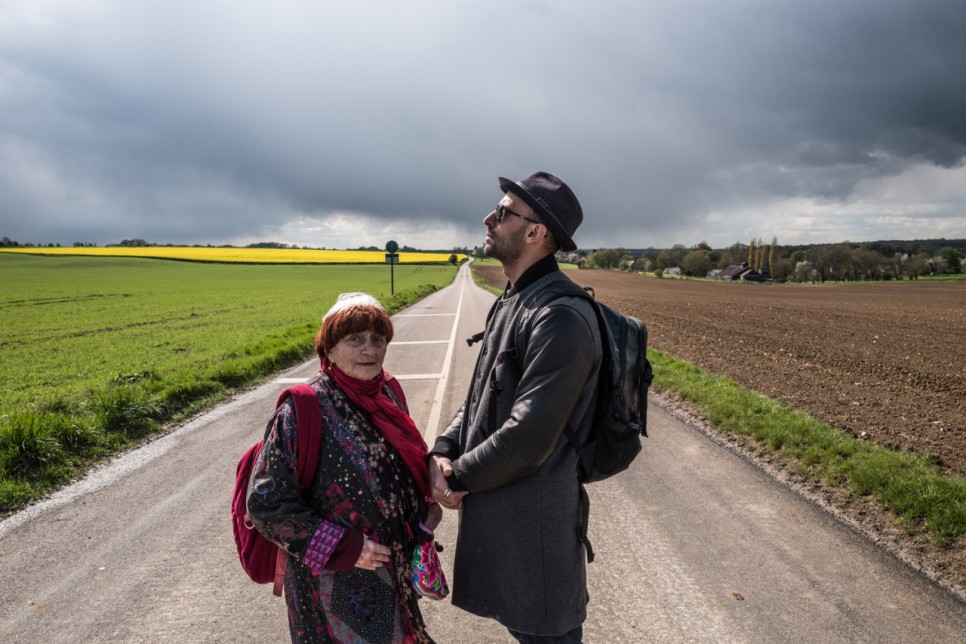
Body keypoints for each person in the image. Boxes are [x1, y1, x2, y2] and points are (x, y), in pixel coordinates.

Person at [429, 172, 602, 643]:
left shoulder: (559, 317)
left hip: (536, 542)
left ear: (534, 232)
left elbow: (528, 437)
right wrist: (443, 447)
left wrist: (456, 476)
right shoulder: (513, 301)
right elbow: (481, 396)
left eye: (503, 211)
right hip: (507, 531)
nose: (489, 217)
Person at [247, 292, 440, 644]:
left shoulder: (389, 393)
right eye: (355, 340)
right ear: (329, 350)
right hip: (332, 590)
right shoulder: (302, 409)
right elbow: (266, 505)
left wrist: (425, 500)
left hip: (393, 575)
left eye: (377, 339)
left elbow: (402, 462)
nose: (370, 349)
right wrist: (346, 548)